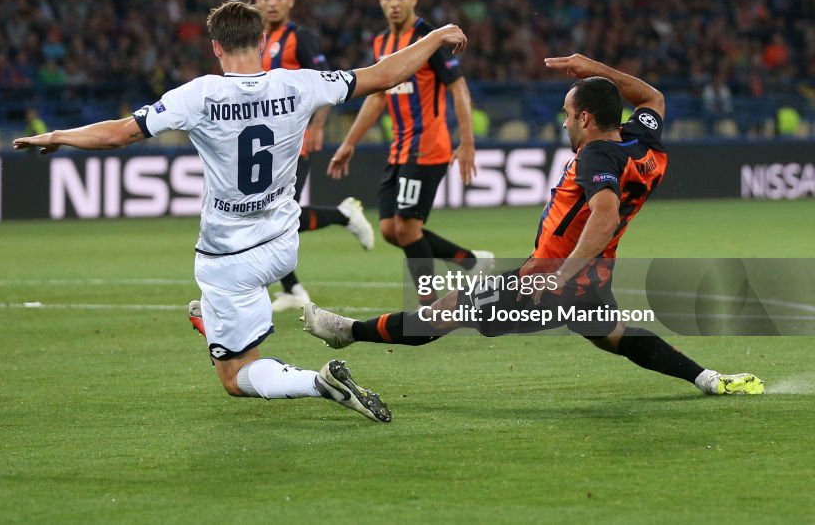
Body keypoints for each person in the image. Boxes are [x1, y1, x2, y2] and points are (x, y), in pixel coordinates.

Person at [14, 0, 469, 421]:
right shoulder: (299, 82)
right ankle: (209, 320)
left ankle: (319, 382)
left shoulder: (199, 95)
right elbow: (384, 74)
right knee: (220, 315)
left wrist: (57, 136)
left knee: (235, 378)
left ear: (216, 47)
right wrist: (434, 36)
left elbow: (119, 133)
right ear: (261, 43)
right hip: (283, 246)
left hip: (228, 259)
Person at [304, 53, 765, 397]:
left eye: (568, 114)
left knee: (446, 311)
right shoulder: (642, 141)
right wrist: (592, 67)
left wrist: (559, 276)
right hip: (594, 274)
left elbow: (603, 215)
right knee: (614, 336)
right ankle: (706, 379)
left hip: (550, 279)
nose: (564, 123)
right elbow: (653, 97)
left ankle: (347, 330)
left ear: (585, 118)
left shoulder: (596, 157)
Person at [328, 0, 490, 304]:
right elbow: (377, 96)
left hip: (428, 147)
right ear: (379, 1)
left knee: (407, 229)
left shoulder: (430, 37)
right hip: (399, 150)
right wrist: (349, 142)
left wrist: (468, 142)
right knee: (390, 230)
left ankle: (429, 305)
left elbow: (458, 88)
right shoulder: (381, 42)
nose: (394, 4)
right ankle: (472, 263)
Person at [251, 0, 374, 313]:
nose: (272, 2)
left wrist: (318, 125)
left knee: (277, 215)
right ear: (257, 1)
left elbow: (324, 83)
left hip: (296, 139)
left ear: (290, 1)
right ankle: (293, 289)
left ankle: (342, 215)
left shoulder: (300, 38)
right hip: (267, 144)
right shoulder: (257, 40)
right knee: (269, 215)